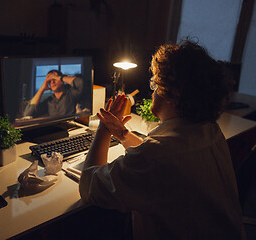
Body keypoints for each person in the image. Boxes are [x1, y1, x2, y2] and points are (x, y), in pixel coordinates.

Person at [79, 40, 245, 239]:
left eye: (155, 83)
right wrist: (123, 135)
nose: (153, 90)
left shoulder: (155, 157)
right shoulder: (210, 132)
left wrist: (104, 128)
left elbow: (89, 185)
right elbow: (167, 162)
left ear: (174, 94)